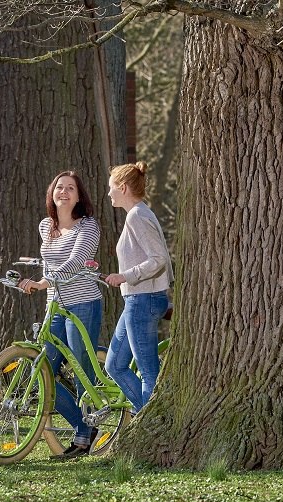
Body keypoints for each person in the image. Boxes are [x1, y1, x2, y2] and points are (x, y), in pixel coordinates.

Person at [18, 170, 102, 460]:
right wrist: (44, 289)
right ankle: (84, 426)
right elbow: (47, 264)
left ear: (79, 197)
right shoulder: (46, 226)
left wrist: (44, 282)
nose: (63, 192)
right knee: (43, 373)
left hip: (83, 304)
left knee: (81, 372)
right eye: (59, 187)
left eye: (70, 188)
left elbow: (77, 261)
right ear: (52, 193)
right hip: (55, 307)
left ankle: (85, 433)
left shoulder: (88, 226)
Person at [104, 161, 173, 413]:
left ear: (123, 187)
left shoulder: (137, 216)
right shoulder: (138, 214)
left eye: (111, 187)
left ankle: (154, 424)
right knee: (114, 365)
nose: (109, 193)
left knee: (148, 373)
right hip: (137, 300)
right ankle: (144, 417)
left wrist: (125, 276)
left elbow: (159, 259)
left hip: (144, 300)